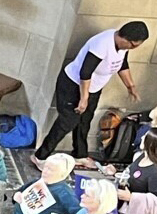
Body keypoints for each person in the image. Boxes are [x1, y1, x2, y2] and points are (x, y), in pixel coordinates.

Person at [44, 21, 147, 160]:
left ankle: (80, 155)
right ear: (125, 38)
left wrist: (131, 87)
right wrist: (84, 98)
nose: (134, 48)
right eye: (134, 45)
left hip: (94, 88)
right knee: (67, 122)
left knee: (84, 121)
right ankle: (41, 156)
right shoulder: (102, 44)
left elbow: (122, 64)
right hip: (73, 85)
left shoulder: (123, 47)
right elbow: (85, 72)